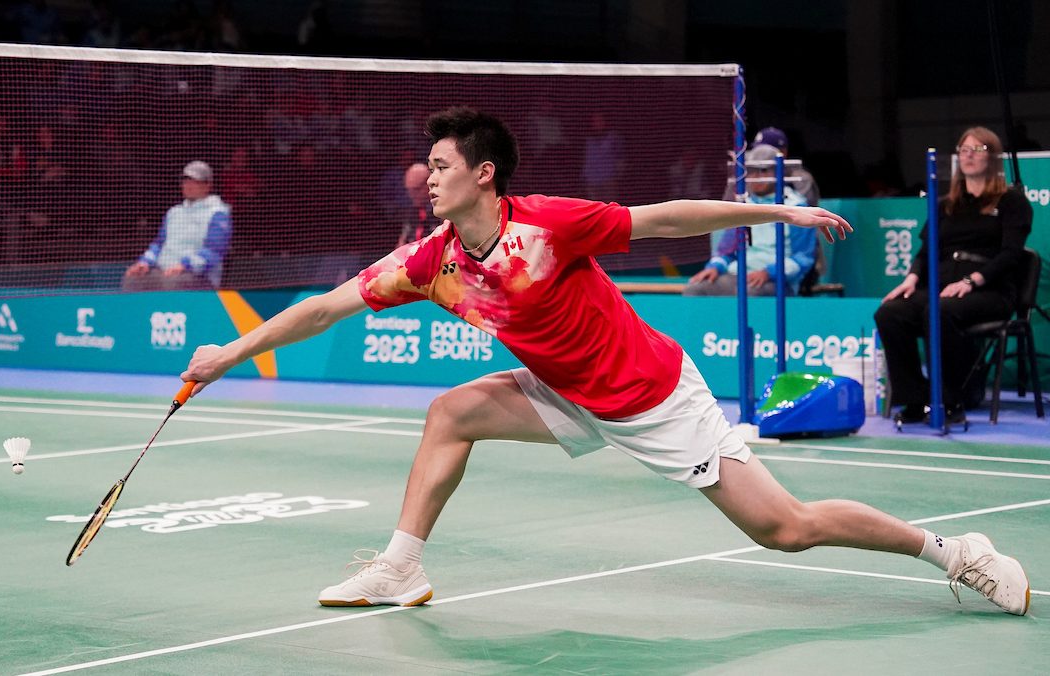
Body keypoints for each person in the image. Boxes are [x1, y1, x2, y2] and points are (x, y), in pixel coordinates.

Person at [182, 108, 1030, 615]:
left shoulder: (546, 223)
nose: (426, 180)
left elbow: (664, 218)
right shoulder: (432, 260)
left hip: (654, 397)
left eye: (440, 167)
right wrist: (232, 352)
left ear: (483, 174)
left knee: (785, 530)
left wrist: (779, 214)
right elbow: (328, 305)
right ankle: (399, 566)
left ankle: (955, 552)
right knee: (451, 413)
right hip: (562, 390)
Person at [874, 126, 1033, 425]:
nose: (970, 155)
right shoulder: (944, 205)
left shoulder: (1011, 202)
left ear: (993, 158)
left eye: (979, 149)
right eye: (964, 150)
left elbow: (1011, 255)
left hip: (990, 291)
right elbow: (925, 252)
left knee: (938, 311)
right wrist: (911, 278)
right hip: (942, 286)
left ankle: (950, 398)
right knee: (890, 313)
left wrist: (972, 281)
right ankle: (914, 399)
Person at [684, 144, 816, 296]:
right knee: (696, 289)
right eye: (751, 171)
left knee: (750, 292)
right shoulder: (742, 205)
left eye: (763, 171)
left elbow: (803, 258)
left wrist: (769, 273)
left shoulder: (796, 207)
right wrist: (715, 266)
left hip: (777, 280)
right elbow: (727, 250)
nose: (756, 177)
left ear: (778, 172)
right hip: (738, 275)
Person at [123, 161, 231, 291]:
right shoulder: (174, 212)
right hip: (165, 271)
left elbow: (214, 252)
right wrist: (144, 262)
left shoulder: (218, 213)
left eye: (194, 181)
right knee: (133, 279)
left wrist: (184, 265)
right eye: (186, 181)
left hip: (198, 276)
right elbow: (159, 244)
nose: (188, 186)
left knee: (172, 282)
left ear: (207, 185)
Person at [751, 126, 820, 206]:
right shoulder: (750, 174)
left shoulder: (799, 178)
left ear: (783, 152)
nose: (759, 154)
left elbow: (808, 209)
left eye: (766, 151)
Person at [394, 162, 440, 247]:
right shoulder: (412, 213)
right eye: (409, 190)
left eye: (416, 190)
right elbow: (402, 243)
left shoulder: (442, 211)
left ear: (428, 185)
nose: (412, 195)